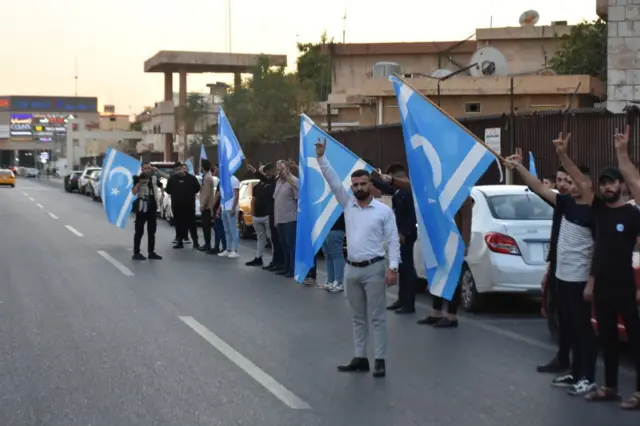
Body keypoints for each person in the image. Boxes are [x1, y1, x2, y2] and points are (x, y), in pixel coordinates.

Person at [557, 127, 640, 409]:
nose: (607, 187)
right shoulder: (599, 211)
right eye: (603, 183)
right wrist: (562, 155)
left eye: (612, 183)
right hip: (603, 287)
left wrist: (622, 153)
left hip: (625, 287)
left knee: (636, 340)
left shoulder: (632, 214)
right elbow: (581, 181)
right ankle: (610, 387)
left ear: (621, 186)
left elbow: (637, 184)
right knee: (608, 339)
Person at [506, 149, 597, 396]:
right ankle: (575, 372)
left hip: (579, 279)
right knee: (569, 325)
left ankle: (588, 377)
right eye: (566, 179)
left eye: (576, 180)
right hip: (562, 277)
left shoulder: (593, 209)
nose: (571, 184)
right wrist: (520, 168)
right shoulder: (566, 203)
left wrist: (564, 154)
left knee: (583, 329)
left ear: (587, 184)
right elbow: (539, 187)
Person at [316, 138, 400, 378]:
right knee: (357, 317)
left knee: (377, 317)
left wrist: (393, 267)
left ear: (370, 185)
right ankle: (360, 357)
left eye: (363, 184)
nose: (359, 188)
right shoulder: (348, 204)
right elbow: (332, 182)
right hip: (351, 269)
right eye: (355, 185)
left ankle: (380, 360)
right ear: (351, 187)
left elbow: (393, 240)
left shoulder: (384, 211)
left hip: (374, 268)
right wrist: (322, 158)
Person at [379, 172, 471, 327]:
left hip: (453, 241)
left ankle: (451, 316)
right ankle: (436, 313)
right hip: (436, 240)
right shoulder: (437, 189)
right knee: (436, 276)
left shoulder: (461, 192)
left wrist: (465, 244)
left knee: (451, 279)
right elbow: (415, 187)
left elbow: (467, 219)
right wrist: (393, 180)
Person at [537, 166, 575, 374]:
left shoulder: (578, 206)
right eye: (559, 180)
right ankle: (562, 357)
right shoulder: (561, 203)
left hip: (575, 271)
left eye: (567, 180)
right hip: (557, 265)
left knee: (573, 317)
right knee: (558, 310)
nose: (562, 184)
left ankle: (575, 364)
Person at [373, 163, 418, 314]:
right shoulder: (399, 189)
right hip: (400, 234)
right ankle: (401, 299)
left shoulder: (407, 191)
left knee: (407, 269)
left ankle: (408, 304)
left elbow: (411, 216)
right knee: (402, 268)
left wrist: (403, 233)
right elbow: (387, 188)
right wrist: (372, 179)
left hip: (406, 235)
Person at [131, 162, 164, 261]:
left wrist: (162, 196)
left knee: (152, 230)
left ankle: (151, 252)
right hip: (142, 208)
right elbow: (133, 192)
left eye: (149, 168)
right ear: (142, 169)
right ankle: (136, 253)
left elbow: (161, 185)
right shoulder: (137, 178)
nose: (147, 170)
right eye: (145, 168)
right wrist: (139, 182)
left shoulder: (154, 178)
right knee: (139, 231)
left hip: (152, 207)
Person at [245, 164, 277, 267]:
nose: (266, 173)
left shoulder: (272, 183)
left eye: (266, 171)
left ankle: (275, 259)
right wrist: (253, 214)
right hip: (257, 216)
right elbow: (253, 200)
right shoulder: (256, 186)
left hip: (267, 215)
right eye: (264, 171)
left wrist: (254, 171)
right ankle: (258, 258)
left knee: (272, 238)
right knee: (260, 237)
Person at [165, 162, 201, 250]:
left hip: (189, 206)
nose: (178, 171)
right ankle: (179, 241)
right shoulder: (172, 179)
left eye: (179, 169)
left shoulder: (191, 178)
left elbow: (197, 188)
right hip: (177, 206)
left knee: (192, 224)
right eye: (176, 170)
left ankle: (196, 242)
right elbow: (168, 190)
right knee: (179, 224)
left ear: (183, 168)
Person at [273, 159, 299, 277]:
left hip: (290, 218)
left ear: (288, 168)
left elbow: (298, 198)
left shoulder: (294, 181)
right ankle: (286, 267)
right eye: (278, 169)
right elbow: (276, 201)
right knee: (283, 244)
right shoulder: (278, 182)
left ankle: (293, 269)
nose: (280, 171)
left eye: (282, 169)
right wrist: (275, 220)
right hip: (280, 219)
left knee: (290, 245)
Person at [319, 213, 346, 293]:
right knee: (327, 255)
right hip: (325, 228)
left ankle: (339, 282)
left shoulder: (339, 200)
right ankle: (330, 281)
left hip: (336, 227)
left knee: (336, 255)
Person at [217, 172, 240, 258]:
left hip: (231, 208)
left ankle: (235, 250)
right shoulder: (223, 181)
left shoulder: (234, 179)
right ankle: (228, 248)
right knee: (227, 230)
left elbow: (237, 195)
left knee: (233, 229)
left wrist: (234, 207)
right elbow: (222, 196)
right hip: (224, 208)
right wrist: (219, 208)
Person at [199, 160, 215, 252]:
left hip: (207, 206)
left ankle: (208, 245)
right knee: (205, 226)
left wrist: (203, 204)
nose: (200, 168)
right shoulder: (206, 177)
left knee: (206, 226)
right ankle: (206, 243)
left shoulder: (208, 178)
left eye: (201, 166)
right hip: (206, 205)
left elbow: (207, 193)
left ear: (203, 167)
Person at [210, 166, 226, 255]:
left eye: (216, 168)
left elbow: (219, 196)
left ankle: (224, 247)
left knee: (220, 228)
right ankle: (216, 246)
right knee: (216, 228)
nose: (214, 170)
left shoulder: (223, 182)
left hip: (220, 208)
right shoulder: (220, 181)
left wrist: (213, 207)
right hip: (219, 207)